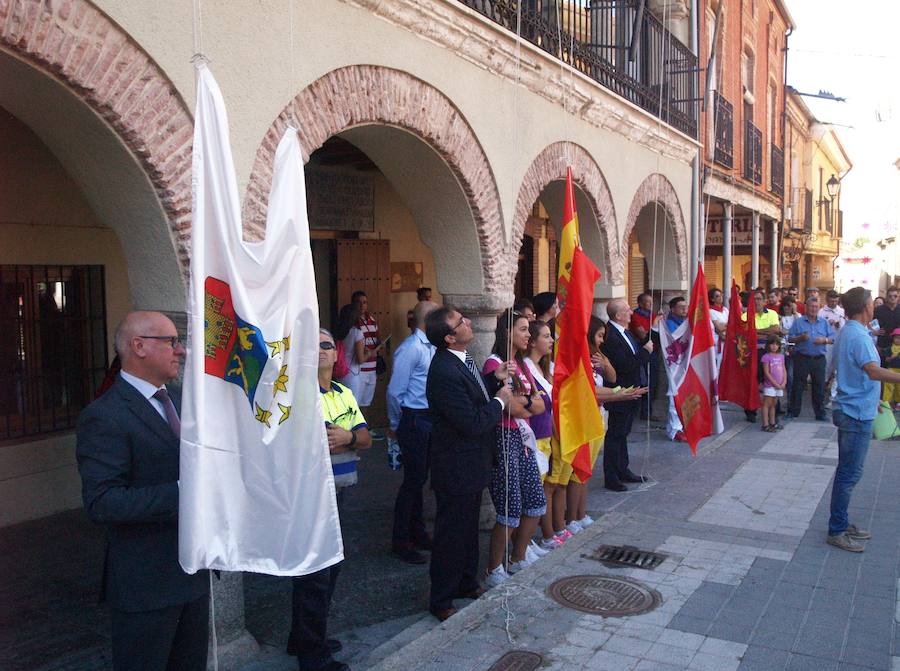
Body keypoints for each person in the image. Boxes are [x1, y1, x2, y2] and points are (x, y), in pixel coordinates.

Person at [76, 312, 209, 671]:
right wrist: (185, 492)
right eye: (171, 341)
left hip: (192, 574)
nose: (180, 350)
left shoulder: (181, 400)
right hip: (145, 585)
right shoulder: (104, 415)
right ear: (138, 346)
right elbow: (103, 502)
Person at [289, 329, 372, 671]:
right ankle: (313, 654)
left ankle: (305, 637)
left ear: (337, 354)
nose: (320, 350)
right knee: (316, 572)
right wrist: (337, 439)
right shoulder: (297, 394)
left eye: (325, 344)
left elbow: (366, 438)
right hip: (311, 494)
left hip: (341, 490)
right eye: (312, 344)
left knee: (330, 567)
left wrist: (347, 437)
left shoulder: (344, 392)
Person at [424, 306, 514, 621]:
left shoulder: (464, 359)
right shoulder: (444, 371)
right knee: (451, 534)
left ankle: (466, 582)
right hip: (456, 466)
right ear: (449, 338)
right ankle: (441, 599)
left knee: (468, 530)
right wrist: (500, 401)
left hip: (473, 463)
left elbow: (472, 395)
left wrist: (493, 380)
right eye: (460, 322)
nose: (468, 322)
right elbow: (471, 421)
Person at [828, 287, 900, 552]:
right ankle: (836, 529)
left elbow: (855, 372)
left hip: (856, 408)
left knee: (847, 472)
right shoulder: (857, 335)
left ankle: (840, 522)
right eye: (871, 302)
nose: (874, 305)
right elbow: (872, 370)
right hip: (854, 413)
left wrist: (873, 400)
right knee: (849, 474)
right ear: (864, 307)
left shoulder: (852, 331)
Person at [482, 310, 547, 587]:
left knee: (535, 500)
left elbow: (539, 403)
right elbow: (509, 406)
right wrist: (526, 405)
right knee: (510, 506)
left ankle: (518, 557)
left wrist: (526, 404)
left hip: (523, 439)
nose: (528, 335)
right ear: (507, 331)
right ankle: (493, 568)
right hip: (504, 438)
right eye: (522, 329)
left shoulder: (521, 364)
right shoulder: (494, 363)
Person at [387, 301, 439, 564]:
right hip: (414, 418)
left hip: (428, 418)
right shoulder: (411, 348)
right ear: (428, 320)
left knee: (419, 480)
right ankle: (401, 541)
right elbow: (395, 391)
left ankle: (417, 532)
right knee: (412, 482)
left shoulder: (431, 346)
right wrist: (396, 424)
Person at [601, 298, 654, 491]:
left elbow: (635, 351)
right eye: (627, 310)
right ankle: (611, 476)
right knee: (615, 434)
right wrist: (645, 352)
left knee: (623, 433)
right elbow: (625, 364)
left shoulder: (625, 332)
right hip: (619, 392)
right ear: (618, 315)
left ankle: (623, 469)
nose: (631, 312)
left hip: (632, 390)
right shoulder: (611, 336)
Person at [525, 320, 565, 551]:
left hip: (546, 436)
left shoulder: (543, 367)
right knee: (533, 493)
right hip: (533, 437)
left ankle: (528, 542)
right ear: (532, 342)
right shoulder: (527, 367)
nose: (551, 340)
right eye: (546, 336)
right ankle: (524, 545)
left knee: (539, 490)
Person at [787, 297, 834, 420]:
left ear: (819, 308)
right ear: (806, 307)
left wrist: (824, 340)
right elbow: (790, 338)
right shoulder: (799, 322)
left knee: (819, 387)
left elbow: (833, 338)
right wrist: (800, 338)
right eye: (811, 306)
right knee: (798, 386)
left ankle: (820, 414)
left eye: (816, 306)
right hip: (802, 358)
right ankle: (793, 412)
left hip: (819, 359)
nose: (813, 309)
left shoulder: (824, 322)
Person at [742, 291, 783, 422]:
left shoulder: (772, 313)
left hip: (769, 351)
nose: (757, 302)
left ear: (764, 301)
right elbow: (746, 334)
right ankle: (751, 411)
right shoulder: (745, 315)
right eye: (754, 299)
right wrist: (765, 332)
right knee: (752, 381)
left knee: (772, 379)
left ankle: (774, 413)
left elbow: (775, 331)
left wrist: (755, 331)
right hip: (752, 353)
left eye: (759, 299)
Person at [662, 296, 688, 442]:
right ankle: (674, 429)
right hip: (674, 363)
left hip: (684, 362)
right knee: (674, 394)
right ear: (673, 309)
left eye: (686, 306)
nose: (684, 309)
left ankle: (683, 424)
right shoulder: (669, 323)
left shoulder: (686, 321)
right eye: (681, 307)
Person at [351, 291, 381, 407]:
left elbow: (376, 338)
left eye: (364, 302)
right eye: (358, 302)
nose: (362, 305)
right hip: (359, 369)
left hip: (372, 368)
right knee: (356, 403)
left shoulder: (372, 320)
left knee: (366, 403)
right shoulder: (353, 322)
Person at [820, 289, 846, 403]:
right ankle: (822, 390)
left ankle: (834, 395)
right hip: (827, 344)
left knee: (838, 369)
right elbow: (818, 326)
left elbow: (845, 326)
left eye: (836, 301)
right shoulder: (822, 312)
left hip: (839, 343)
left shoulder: (842, 311)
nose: (834, 303)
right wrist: (828, 323)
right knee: (826, 367)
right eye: (831, 301)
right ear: (827, 300)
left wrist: (839, 324)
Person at [760, 336, 786, 432]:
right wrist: (775, 384)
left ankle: (772, 422)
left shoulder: (781, 356)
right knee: (766, 404)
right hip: (770, 385)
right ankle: (765, 424)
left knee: (773, 404)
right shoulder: (766, 357)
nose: (774, 346)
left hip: (779, 385)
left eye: (776, 344)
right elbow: (766, 372)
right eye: (772, 344)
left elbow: (784, 369)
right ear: (768, 345)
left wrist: (784, 381)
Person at [779, 298, 799, 401]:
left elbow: (798, 328)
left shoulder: (797, 317)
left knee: (791, 374)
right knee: (780, 373)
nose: (787, 308)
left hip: (793, 347)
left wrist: (795, 312)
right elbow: (780, 331)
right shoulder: (779, 317)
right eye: (785, 306)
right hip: (782, 347)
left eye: (789, 306)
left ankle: (791, 398)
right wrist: (788, 331)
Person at [874, 286, 900, 352]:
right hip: (882, 345)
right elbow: (869, 323)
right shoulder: (878, 310)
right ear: (887, 297)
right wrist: (873, 332)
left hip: (897, 347)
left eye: (895, 296)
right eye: (890, 296)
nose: (892, 298)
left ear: (898, 297)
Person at [880, 328, 900, 410]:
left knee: (899, 387)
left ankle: (898, 403)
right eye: (896, 338)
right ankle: (887, 402)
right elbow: (886, 360)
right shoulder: (889, 348)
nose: (898, 340)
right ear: (893, 338)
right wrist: (892, 357)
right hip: (891, 369)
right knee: (888, 385)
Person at [708, 287, 729, 368]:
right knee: (718, 364)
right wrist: (728, 324)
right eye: (717, 296)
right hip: (717, 342)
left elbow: (732, 324)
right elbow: (719, 328)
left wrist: (724, 325)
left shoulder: (725, 310)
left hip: (727, 339)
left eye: (721, 295)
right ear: (712, 299)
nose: (720, 297)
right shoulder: (711, 311)